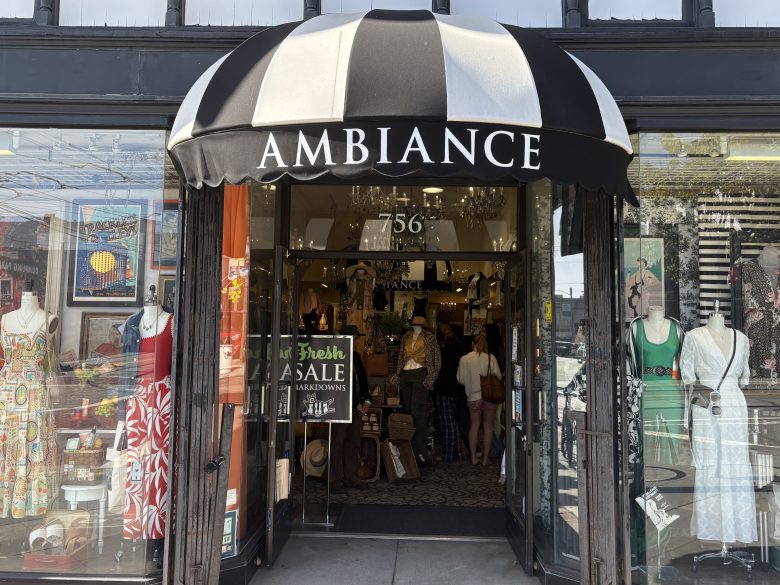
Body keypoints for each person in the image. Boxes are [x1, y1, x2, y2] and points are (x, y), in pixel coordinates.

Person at [329, 325, 372, 492]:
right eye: (352, 338)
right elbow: (342, 383)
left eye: (355, 339)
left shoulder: (356, 356)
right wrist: (358, 402)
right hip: (339, 405)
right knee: (338, 442)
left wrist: (367, 399)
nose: (355, 342)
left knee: (353, 441)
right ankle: (334, 478)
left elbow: (361, 380)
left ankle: (350, 476)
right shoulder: (336, 356)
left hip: (355, 406)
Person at [457, 333, 501, 466]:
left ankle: (473, 458)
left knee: (474, 426)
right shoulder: (490, 357)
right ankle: (486, 459)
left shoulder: (464, 359)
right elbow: (498, 376)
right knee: (488, 427)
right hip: (489, 397)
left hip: (473, 397)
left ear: (472, 344)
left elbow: (461, 379)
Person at [434, 324, 466, 462]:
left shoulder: (444, 351)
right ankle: (458, 452)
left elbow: (440, 371)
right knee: (455, 422)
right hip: (459, 390)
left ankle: (448, 454)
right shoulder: (464, 351)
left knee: (447, 423)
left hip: (445, 390)